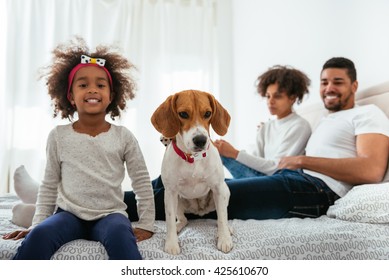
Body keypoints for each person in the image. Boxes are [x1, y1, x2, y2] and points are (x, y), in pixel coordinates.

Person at [125, 57, 389, 221]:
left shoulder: (368, 112)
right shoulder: (323, 120)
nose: (329, 88)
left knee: (208, 199)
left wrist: (301, 160)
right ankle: (118, 196)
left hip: (315, 189)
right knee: (177, 177)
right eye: (324, 82)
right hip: (292, 179)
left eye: (338, 82)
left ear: (354, 86)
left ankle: (117, 207)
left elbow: (373, 169)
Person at [2, 37, 155, 260]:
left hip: (110, 215)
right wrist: (36, 226)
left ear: (111, 96)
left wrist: (147, 223)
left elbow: (141, 183)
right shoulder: (58, 136)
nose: (92, 90)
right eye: (83, 85)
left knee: (122, 236)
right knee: (39, 236)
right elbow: (49, 185)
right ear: (71, 97)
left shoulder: (124, 137)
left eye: (100, 85)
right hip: (68, 214)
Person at [214, 65, 312, 178]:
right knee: (216, 150)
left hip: (277, 180)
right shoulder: (266, 126)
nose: (270, 101)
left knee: (223, 158)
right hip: (258, 176)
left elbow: (277, 167)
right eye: (268, 96)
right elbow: (255, 159)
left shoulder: (299, 126)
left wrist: (234, 153)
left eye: (277, 96)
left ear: (293, 98)